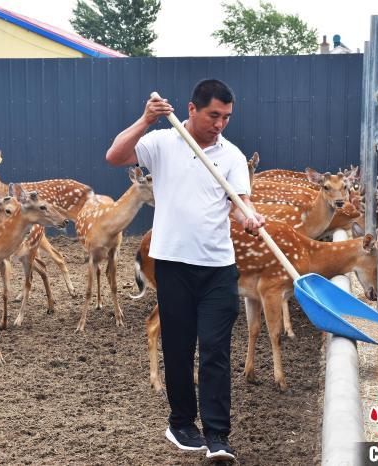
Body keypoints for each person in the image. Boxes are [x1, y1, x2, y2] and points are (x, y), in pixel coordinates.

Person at [105, 79, 265, 461]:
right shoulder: (162, 143)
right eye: (213, 115)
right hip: (173, 265)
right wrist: (145, 120)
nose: (220, 123)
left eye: (226, 117)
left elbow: (241, 200)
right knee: (178, 348)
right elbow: (115, 155)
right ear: (192, 110)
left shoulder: (231, 155)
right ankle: (181, 423)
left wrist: (249, 216)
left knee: (215, 350)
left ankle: (218, 435)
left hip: (218, 268)